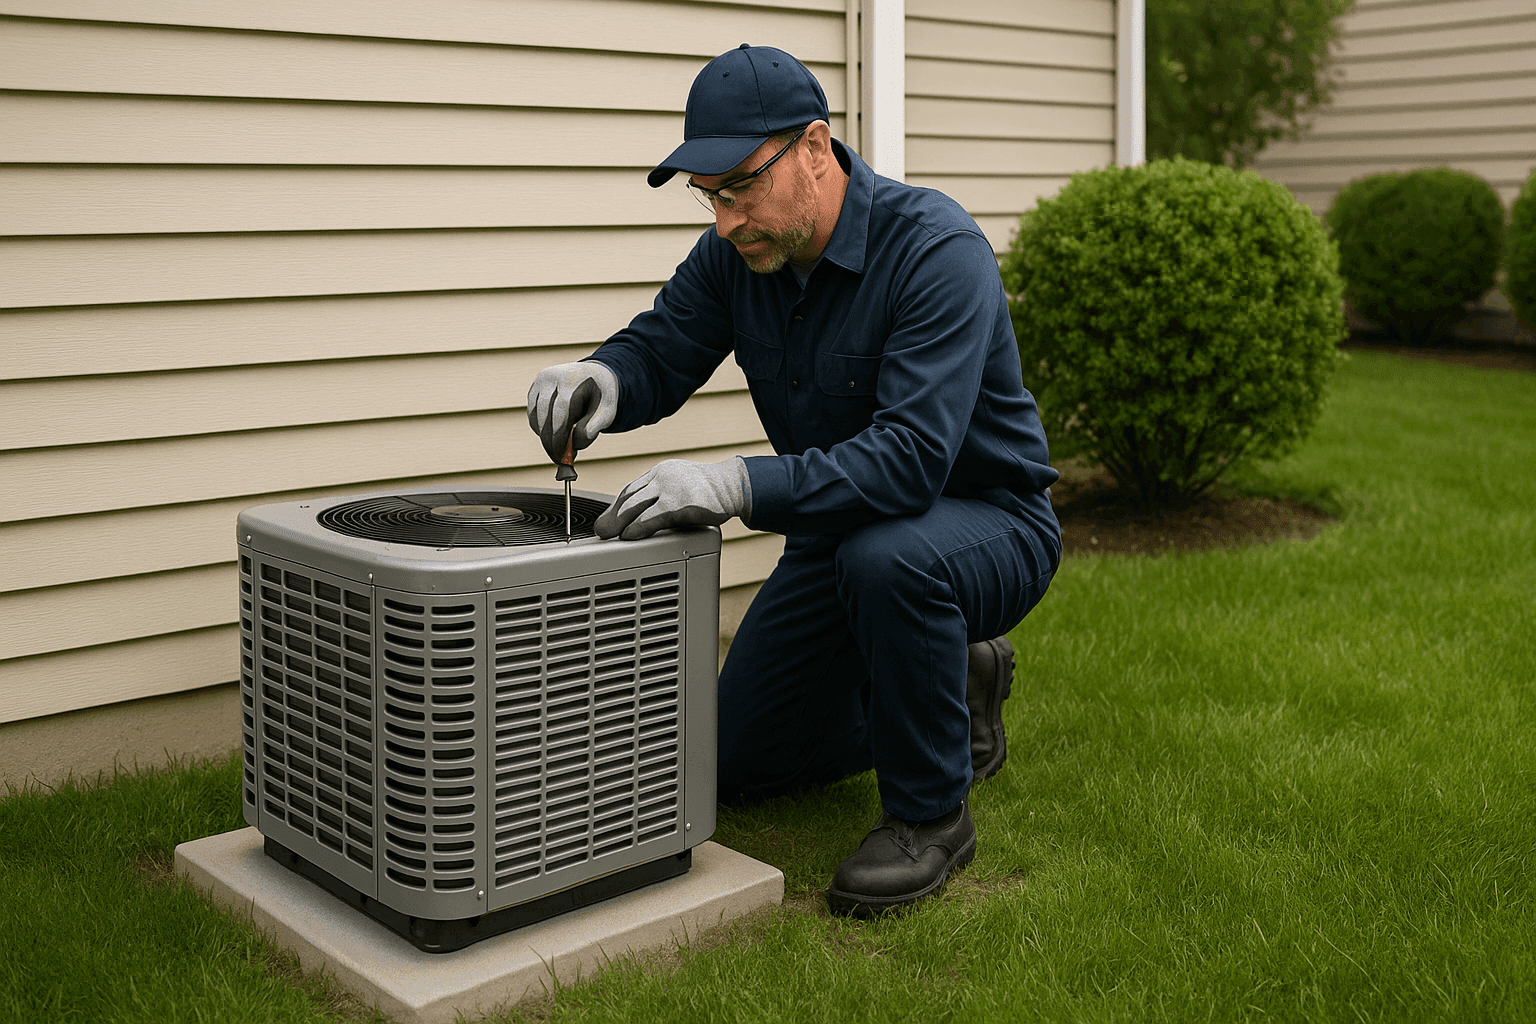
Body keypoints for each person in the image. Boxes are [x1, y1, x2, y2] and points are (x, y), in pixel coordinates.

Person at [527, 44, 1060, 918]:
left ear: (814, 147)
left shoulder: (934, 250)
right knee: (734, 762)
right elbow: (664, 346)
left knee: (890, 561)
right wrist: (604, 377)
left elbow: (909, 461)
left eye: (741, 188)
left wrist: (736, 484)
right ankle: (950, 681)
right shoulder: (740, 253)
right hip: (838, 535)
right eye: (709, 196)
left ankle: (930, 814)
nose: (726, 221)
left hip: (985, 522)